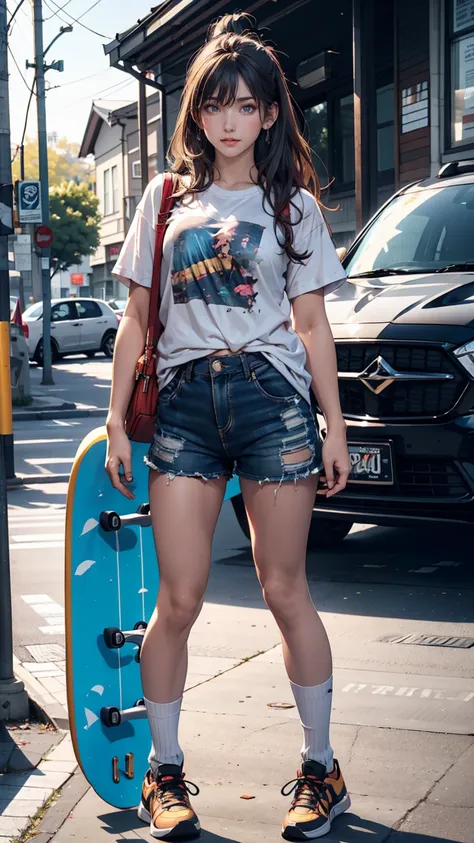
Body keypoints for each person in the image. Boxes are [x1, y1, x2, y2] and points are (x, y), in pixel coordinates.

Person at [107, 12, 351, 841]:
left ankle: (321, 768)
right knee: (178, 597)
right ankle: (163, 771)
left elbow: (314, 328)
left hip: (273, 403)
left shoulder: (293, 208)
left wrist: (335, 426)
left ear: (271, 114)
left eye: (246, 105)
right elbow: (137, 320)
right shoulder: (165, 198)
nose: (230, 119)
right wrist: (114, 421)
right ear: (198, 114)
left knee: (285, 590)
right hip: (183, 408)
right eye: (216, 104)